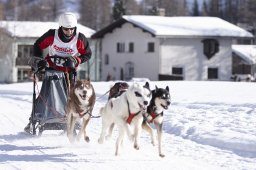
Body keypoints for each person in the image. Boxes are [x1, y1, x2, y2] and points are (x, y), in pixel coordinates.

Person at [24, 12, 92, 134]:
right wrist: (39, 60)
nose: (69, 32)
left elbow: (87, 54)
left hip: (69, 71)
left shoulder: (80, 38)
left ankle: (73, 119)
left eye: (72, 29)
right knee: (45, 95)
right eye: (66, 29)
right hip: (52, 69)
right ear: (61, 27)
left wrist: (77, 59)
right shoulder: (52, 35)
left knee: (71, 97)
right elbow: (38, 45)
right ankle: (34, 118)